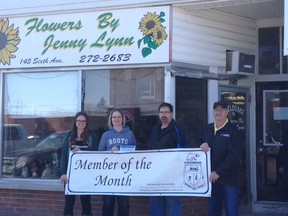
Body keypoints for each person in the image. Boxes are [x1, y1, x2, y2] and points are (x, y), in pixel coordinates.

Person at [197, 101, 244, 216]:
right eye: (216, 110)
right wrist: (201, 145)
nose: (218, 112)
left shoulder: (233, 131)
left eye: (221, 110)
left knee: (231, 211)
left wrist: (218, 171)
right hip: (211, 180)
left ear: (227, 112)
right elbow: (199, 143)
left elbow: (235, 155)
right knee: (213, 211)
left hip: (229, 180)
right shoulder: (207, 129)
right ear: (213, 112)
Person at [148, 102, 187, 216]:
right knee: (156, 204)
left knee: (173, 204)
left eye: (166, 112)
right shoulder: (155, 129)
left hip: (172, 175)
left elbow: (183, 150)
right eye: (161, 112)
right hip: (156, 174)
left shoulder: (178, 129)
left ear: (171, 114)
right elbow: (151, 148)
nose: (163, 115)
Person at [98, 108, 137, 216]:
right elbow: (99, 154)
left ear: (123, 119)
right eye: (114, 117)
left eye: (119, 117)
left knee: (124, 204)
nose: (116, 119)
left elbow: (135, 153)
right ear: (111, 119)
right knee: (107, 204)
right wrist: (111, 151)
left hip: (124, 174)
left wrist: (122, 151)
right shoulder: (105, 135)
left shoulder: (129, 134)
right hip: (108, 175)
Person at [60, 111, 99, 216]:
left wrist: (82, 153)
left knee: (86, 203)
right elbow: (64, 155)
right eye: (78, 120)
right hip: (70, 175)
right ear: (75, 122)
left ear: (86, 122)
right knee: (69, 204)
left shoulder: (92, 136)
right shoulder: (68, 136)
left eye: (83, 121)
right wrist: (63, 173)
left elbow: (97, 155)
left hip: (86, 175)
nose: (81, 123)